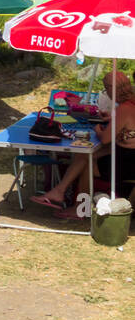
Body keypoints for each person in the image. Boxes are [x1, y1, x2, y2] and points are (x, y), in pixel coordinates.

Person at [32, 71, 135, 216]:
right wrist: (113, 119)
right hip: (127, 154)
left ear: (112, 89)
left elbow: (105, 138)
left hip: (127, 162)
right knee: (85, 155)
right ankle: (60, 192)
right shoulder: (131, 104)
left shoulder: (124, 109)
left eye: (106, 89)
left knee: (87, 161)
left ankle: (78, 208)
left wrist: (98, 129)